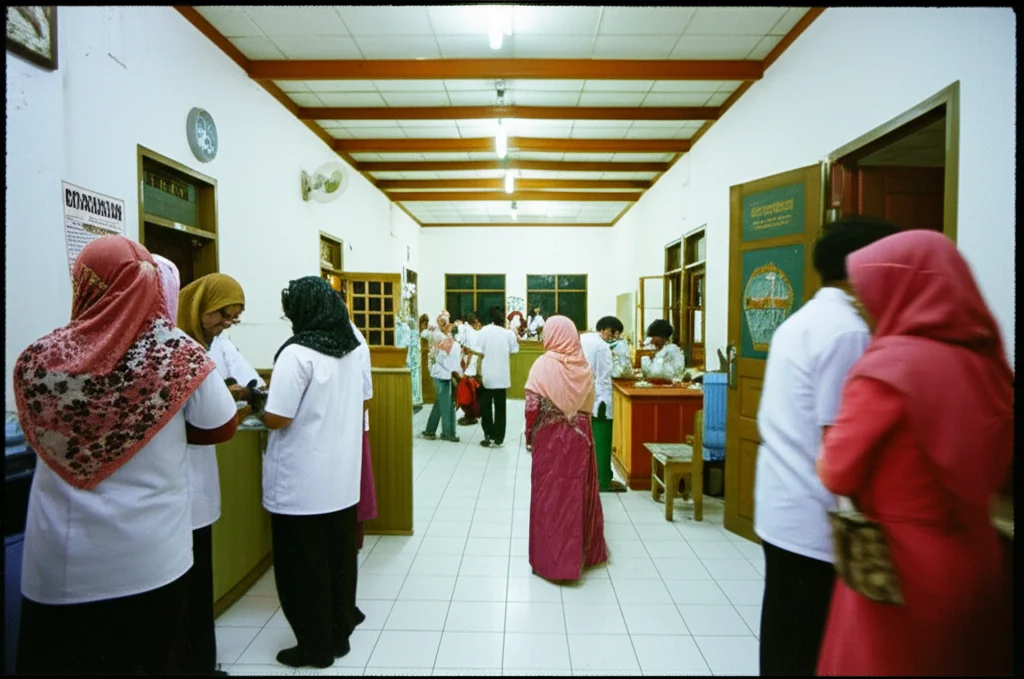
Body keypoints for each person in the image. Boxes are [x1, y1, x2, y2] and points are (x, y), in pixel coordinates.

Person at [13, 236, 238, 676]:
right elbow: (220, 425)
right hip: (150, 557)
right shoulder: (177, 355)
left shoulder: (39, 359)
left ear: (85, 284)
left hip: (60, 561)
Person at [815, 230, 1013, 676]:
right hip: (978, 557)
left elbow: (837, 473)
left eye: (866, 293)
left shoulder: (887, 369)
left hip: (900, 567)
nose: (860, 304)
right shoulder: (989, 365)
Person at [752, 216, 901, 677]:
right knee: (804, 642)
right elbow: (840, 440)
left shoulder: (802, 322)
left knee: (784, 633)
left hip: (783, 506)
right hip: (814, 515)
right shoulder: (847, 331)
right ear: (865, 267)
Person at [261, 276, 366, 669]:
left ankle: (314, 647)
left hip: (302, 484)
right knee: (339, 563)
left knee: (302, 570)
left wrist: (258, 405)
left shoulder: (297, 354)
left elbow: (277, 417)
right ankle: (338, 638)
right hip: (340, 481)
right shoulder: (352, 349)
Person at [177, 272, 265, 676]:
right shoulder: (178, 349)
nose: (226, 324)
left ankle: (200, 660)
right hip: (175, 480)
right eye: (222, 315)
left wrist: (240, 392)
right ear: (199, 306)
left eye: (233, 318)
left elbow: (247, 384)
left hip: (197, 477)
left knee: (196, 578)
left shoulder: (216, 343)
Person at [524, 316, 609, 581]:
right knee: (575, 495)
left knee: (550, 497)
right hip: (579, 440)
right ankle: (583, 555)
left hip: (549, 442)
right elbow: (589, 404)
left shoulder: (542, 365)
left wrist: (529, 436)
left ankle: (551, 562)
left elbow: (531, 407)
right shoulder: (581, 366)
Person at [580, 316, 627, 492]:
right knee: (602, 441)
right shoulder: (602, 347)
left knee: (588, 441)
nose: (615, 339)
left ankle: (591, 476)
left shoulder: (584, 338)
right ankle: (603, 480)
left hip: (582, 398)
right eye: (615, 335)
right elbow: (605, 377)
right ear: (607, 330)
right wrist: (605, 402)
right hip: (600, 400)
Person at [476, 306, 520, 448]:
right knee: (501, 408)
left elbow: (479, 350)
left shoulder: (484, 331)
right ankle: (499, 437)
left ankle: (488, 435)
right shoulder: (509, 334)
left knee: (486, 407)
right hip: (502, 376)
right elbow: (514, 350)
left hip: (487, 375)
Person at [420, 312, 461, 442]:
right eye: (442, 322)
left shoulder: (446, 338)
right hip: (442, 375)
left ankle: (430, 430)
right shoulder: (441, 337)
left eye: (446, 323)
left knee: (440, 403)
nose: (445, 325)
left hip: (441, 374)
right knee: (447, 405)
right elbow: (445, 360)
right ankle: (448, 433)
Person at [455, 312, 482, 426]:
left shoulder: (467, 330)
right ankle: (472, 413)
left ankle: (471, 414)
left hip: (471, 362)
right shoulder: (472, 331)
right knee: (472, 389)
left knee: (468, 389)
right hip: (472, 362)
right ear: (475, 322)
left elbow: (466, 348)